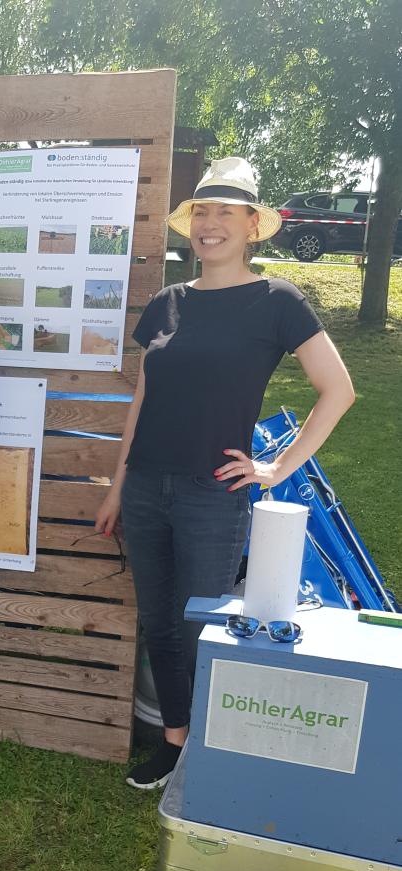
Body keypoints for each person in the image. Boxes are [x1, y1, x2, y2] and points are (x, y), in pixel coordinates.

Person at [95, 157, 355, 790]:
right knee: (157, 620)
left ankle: (210, 745)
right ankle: (175, 742)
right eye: (201, 212)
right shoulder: (167, 303)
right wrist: (119, 484)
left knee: (197, 623)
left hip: (213, 494)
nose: (210, 225)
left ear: (252, 225)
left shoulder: (278, 301)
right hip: (148, 487)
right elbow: (142, 399)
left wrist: (275, 467)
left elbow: (338, 390)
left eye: (225, 213)